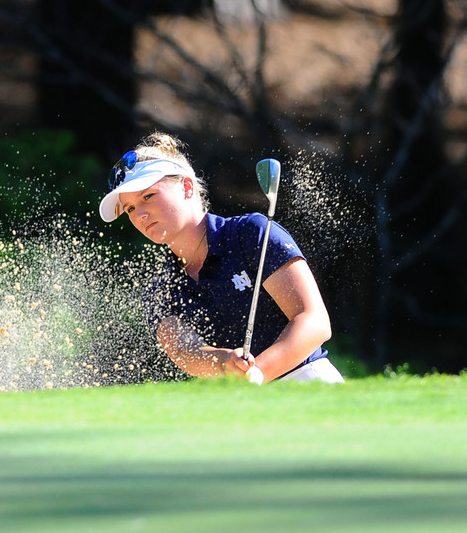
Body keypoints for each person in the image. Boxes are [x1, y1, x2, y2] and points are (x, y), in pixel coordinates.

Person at [99, 132, 344, 383]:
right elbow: (185, 351)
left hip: (308, 381)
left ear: (186, 187)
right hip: (242, 396)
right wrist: (224, 363)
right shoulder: (161, 288)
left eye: (148, 196)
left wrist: (258, 373)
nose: (139, 214)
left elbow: (314, 321)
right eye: (130, 208)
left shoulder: (250, 234)